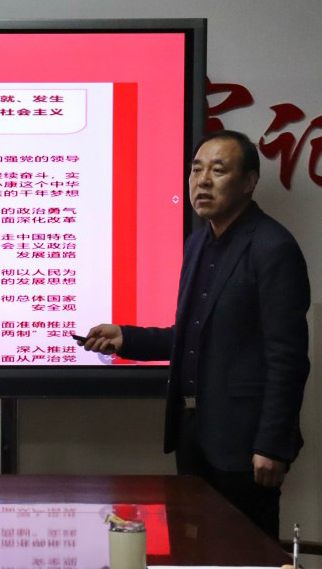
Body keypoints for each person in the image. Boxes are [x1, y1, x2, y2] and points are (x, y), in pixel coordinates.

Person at [83, 130, 310, 539]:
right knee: (195, 549)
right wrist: (127, 338)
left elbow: (288, 358)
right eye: (196, 170)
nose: (202, 181)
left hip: (244, 445)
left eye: (218, 170)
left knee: (244, 553)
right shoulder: (197, 243)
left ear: (248, 181)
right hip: (195, 437)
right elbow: (193, 337)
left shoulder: (273, 247)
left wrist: (273, 444)